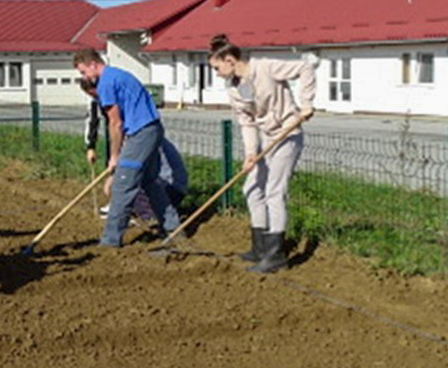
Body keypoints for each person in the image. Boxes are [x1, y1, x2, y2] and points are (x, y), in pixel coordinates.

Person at [208, 34, 315, 273]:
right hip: (267, 139)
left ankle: (276, 255)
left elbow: (305, 68)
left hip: (288, 135)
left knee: (274, 192)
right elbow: (247, 122)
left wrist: (306, 102)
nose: (216, 73)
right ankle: (260, 247)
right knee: (252, 189)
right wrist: (249, 154)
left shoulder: (265, 67)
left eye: (216, 68)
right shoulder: (234, 89)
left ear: (230, 60)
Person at [73, 48, 180, 247]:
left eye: (83, 72)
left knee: (122, 186)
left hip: (140, 133)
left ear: (93, 65)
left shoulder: (105, 83)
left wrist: (114, 156)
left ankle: (110, 241)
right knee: (149, 181)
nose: (84, 76)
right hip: (153, 129)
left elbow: (116, 123)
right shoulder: (119, 75)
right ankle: (173, 228)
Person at [81, 77, 188, 222]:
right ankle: (136, 210)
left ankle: (149, 216)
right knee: (123, 187)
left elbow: (137, 170)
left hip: (169, 186)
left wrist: (114, 180)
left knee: (126, 188)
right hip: (164, 184)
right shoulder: (138, 134)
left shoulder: (142, 138)